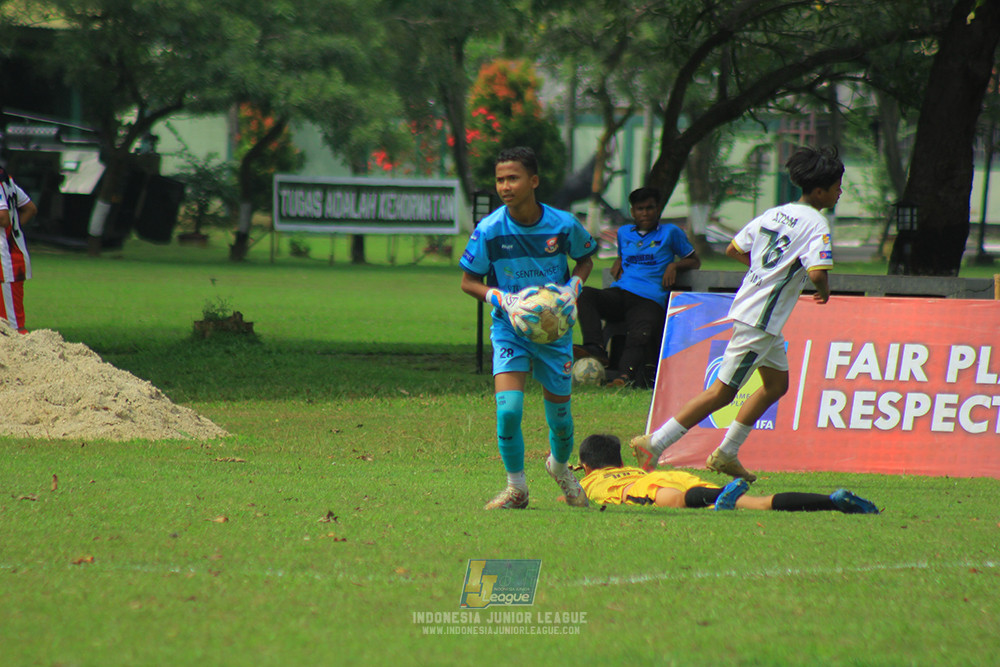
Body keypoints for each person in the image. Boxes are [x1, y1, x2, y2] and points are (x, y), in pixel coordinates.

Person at [631, 146, 843, 482]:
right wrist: (823, 290)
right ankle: (656, 443)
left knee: (776, 385)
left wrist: (762, 271)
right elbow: (817, 271)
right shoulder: (817, 223)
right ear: (819, 191)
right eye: (836, 187)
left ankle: (727, 452)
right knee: (722, 392)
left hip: (759, 316)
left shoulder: (776, 213)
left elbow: (734, 248)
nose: (839, 192)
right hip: (760, 319)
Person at [460, 146, 598, 510]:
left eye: (513, 178)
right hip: (510, 330)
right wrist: (500, 299)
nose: (505, 186)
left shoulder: (563, 224)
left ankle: (558, 466)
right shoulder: (489, 230)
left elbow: (585, 259)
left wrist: (574, 287)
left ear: (533, 181)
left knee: (561, 420)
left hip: (555, 335)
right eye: (500, 179)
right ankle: (516, 488)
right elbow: (468, 281)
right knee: (508, 410)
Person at [574, 187, 700, 388]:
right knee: (584, 293)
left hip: (649, 299)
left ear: (658, 209)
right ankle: (595, 348)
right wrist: (620, 259)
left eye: (650, 208)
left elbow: (694, 260)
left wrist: (674, 265)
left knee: (640, 333)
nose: (645, 213)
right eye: (640, 209)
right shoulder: (624, 233)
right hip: (620, 293)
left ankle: (622, 378)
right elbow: (628, 254)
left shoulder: (671, 232)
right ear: (633, 212)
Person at [574, 434, 879, 513]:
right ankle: (831, 500)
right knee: (758, 502)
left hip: (649, 489)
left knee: (679, 502)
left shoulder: (590, 481)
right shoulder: (632, 467)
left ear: (586, 466)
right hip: (677, 477)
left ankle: (720, 498)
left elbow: (573, 498)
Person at [0, 165, 38, 334]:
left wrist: (10, 233)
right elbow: (30, 208)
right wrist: (15, 232)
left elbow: (3, 218)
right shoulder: (8, 182)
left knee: (14, 328)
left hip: (7, 260)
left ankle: (28, 359)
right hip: (11, 256)